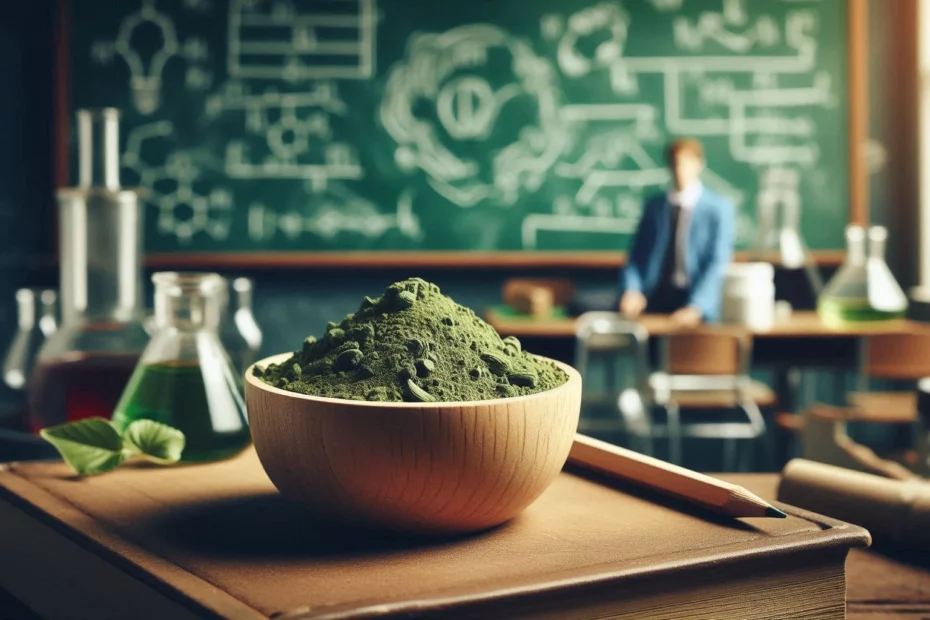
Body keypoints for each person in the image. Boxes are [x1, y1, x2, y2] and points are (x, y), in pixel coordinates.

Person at [618, 138, 734, 327]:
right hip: (653, 298)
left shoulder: (718, 208)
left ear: (699, 164)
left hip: (696, 301)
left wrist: (697, 306)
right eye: (676, 163)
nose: (681, 169)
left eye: (687, 162)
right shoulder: (655, 206)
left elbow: (718, 262)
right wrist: (632, 290)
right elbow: (636, 255)